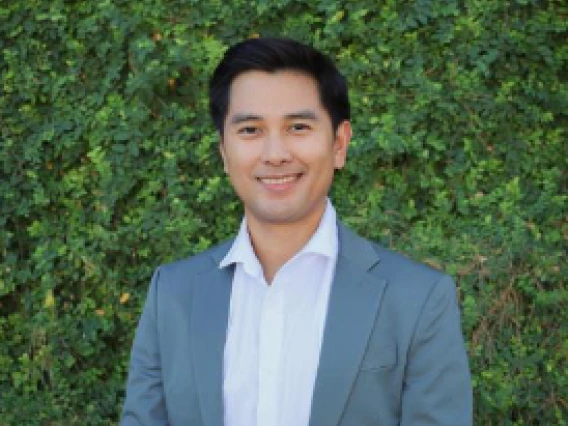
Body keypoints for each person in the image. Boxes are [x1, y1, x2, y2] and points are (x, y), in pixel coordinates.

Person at [121, 37, 472, 426]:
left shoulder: (417, 299)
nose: (275, 154)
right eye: (251, 130)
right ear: (224, 150)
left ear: (339, 144)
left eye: (298, 127)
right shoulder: (172, 293)